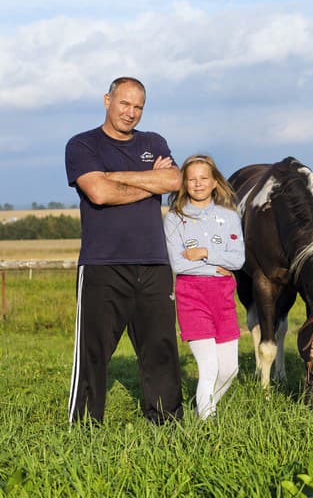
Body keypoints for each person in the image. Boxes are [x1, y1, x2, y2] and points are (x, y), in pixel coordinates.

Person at [64, 76, 183, 424]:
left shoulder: (154, 141)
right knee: (94, 351)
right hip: (103, 263)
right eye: (124, 104)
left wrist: (116, 176)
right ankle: (85, 426)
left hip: (154, 262)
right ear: (107, 100)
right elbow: (99, 193)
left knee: (161, 347)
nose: (131, 113)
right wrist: (149, 180)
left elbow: (173, 181)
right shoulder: (82, 145)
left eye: (138, 107)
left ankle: (166, 423)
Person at [164, 155, 245, 420]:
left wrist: (204, 253)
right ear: (184, 184)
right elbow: (178, 263)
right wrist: (219, 262)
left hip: (222, 296)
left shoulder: (229, 217)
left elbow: (238, 259)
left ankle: (202, 408)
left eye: (204, 179)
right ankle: (205, 426)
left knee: (229, 369)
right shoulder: (175, 219)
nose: (198, 184)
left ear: (214, 182)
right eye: (192, 179)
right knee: (209, 368)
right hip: (191, 295)